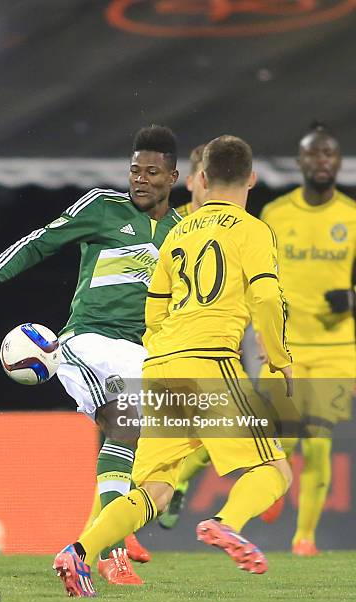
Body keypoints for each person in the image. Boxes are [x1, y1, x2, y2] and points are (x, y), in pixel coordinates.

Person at [53, 135, 293, 598]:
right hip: (212, 363)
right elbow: (265, 295)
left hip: (162, 365)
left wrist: (162, 351)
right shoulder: (253, 230)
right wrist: (280, 359)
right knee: (274, 471)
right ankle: (225, 523)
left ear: (201, 179)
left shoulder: (178, 231)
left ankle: (78, 552)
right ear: (253, 179)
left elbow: (154, 309)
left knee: (153, 490)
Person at [0, 125, 182, 585]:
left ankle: (102, 535)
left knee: (145, 430)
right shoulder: (101, 207)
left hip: (143, 351)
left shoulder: (183, 233)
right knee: (128, 420)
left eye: (152, 172)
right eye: (135, 170)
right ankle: (113, 544)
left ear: (173, 177)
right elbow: (41, 240)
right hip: (87, 341)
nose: (140, 179)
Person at [256, 123, 356, 556]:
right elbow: (255, 277)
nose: (321, 161)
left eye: (328, 154)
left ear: (337, 161)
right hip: (286, 348)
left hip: (337, 349)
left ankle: (305, 538)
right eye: (313, 154)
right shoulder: (276, 214)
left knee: (319, 441)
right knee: (283, 437)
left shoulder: (352, 216)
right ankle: (274, 488)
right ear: (299, 162)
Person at [158, 142, 211, 529]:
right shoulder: (169, 226)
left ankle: (177, 485)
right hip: (173, 345)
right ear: (193, 181)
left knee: (213, 437)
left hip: (217, 344)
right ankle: (109, 539)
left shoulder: (237, 225)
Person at [175, 143, 207, 217]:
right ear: (190, 182)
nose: (212, 185)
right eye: (204, 177)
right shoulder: (171, 224)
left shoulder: (236, 222)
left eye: (217, 179)